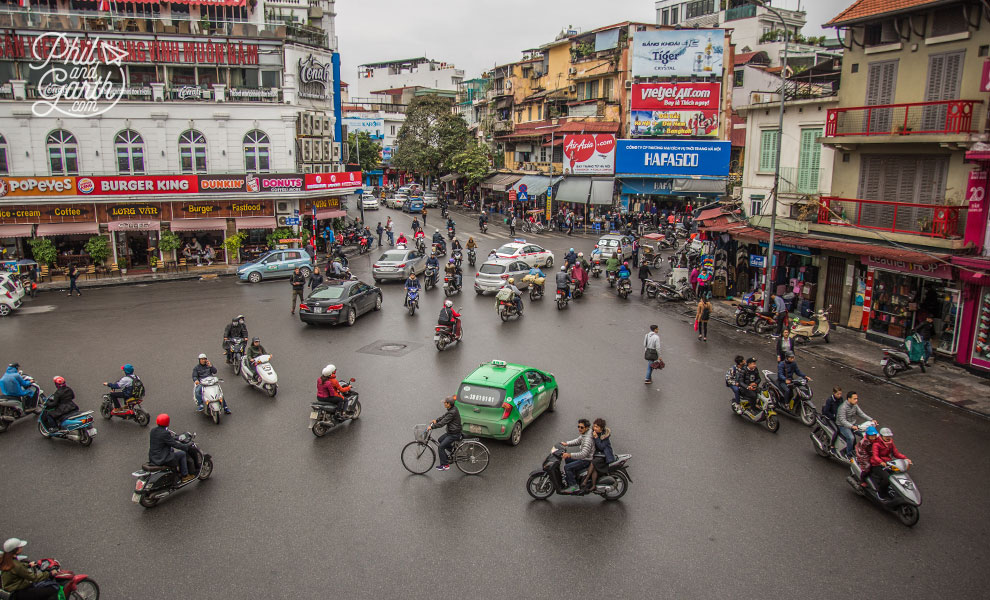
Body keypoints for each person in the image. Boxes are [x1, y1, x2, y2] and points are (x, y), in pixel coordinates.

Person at [149, 414, 194, 483]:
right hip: (162, 459)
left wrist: (176, 438)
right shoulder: (165, 433)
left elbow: (163, 439)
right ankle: (185, 475)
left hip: (153, 457)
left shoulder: (153, 430)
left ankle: (175, 470)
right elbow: (175, 444)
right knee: (182, 454)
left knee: (172, 450)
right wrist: (186, 446)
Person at [869, 427, 911, 500]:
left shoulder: (890, 443)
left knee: (897, 475)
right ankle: (881, 493)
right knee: (887, 478)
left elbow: (896, 453)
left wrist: (905, 458)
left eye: (889, 436)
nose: (888, 438)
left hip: (888, 463)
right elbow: (875, 456)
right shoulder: (876, 444)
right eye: (886, 436)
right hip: (877, 465)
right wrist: (881, 462)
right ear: (881, 436)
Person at [836, 391, 875, 459]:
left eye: (857, 398)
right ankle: (848, 455)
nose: (856, 400)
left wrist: (871, 419)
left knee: (866, 434)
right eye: (854, 399)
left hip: (853, 424)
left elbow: (861, 414)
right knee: (851, 438)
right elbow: (842, 420)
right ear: (849, 399)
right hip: (843, 426)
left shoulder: (855, 405)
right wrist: (851, 426)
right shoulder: (843, 407)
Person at [559, 418, 594, 493]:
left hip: (586, 460)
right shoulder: (585, 433)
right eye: (578, 427)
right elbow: (578, 440)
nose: (579, 429)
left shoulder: (588, 439)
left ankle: (574, 486)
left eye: (581, 427)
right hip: (585, 458)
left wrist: (569, 454)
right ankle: (573, 476)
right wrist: (567, 443)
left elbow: (583, 454)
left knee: (567, 467)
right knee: (567, 459)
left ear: (587, 427)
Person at [429, 396, 462, 471]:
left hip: (454, 434)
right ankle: (454, 450)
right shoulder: (452, 409)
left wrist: (432, 427)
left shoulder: (452, 412)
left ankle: (445, 465)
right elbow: (444, 416)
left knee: (441, 447)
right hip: (451, 432)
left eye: (445, 403)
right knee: (440, 440)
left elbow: (443, 423)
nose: (444, 403)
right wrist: (436, 420)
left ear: (449, 404)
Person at [582, 418, 615, 490]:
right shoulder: (593, 433)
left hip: (605, 456)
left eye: (597, 427)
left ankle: (586, 479)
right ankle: (593, 485)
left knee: (593, 463)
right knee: (594, 467)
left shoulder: (605, 436)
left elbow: (601, 447)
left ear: (601, 428)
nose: (595, 428)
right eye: (594, 426)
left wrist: (596, 438)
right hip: (597, 454)